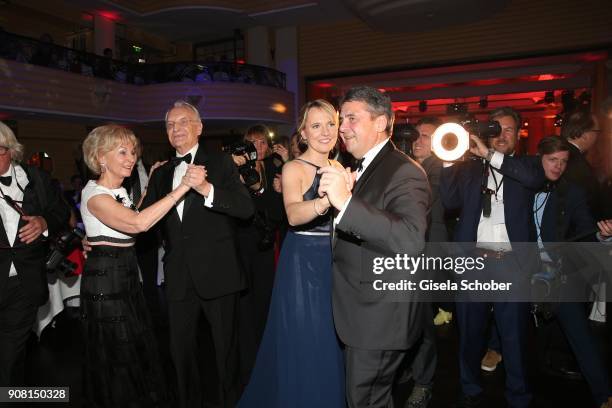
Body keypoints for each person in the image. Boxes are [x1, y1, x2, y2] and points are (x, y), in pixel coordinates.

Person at [317, 86, 431, 408]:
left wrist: (346, 203)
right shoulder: (366, 165)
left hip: (380, 317)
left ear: (381, 123)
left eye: (352, 118)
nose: (342, 128)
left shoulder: (405, 171)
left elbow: (410, 239)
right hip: (364, 312)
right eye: (342, 119)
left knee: (365, 401)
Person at [140, 100, 254, 408]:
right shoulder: (162, 174)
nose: (175, 129)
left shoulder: (221, 163)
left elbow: (245, 209)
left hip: (219, 272)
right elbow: (143, 222)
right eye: (170, 125)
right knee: (180, 353)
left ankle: (231, 401)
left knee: (225, 351)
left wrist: (206, 190)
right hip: (178, 275)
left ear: (199, 128)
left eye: (183, 122)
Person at [80, 124, 201, 406]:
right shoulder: (95, 194)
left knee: (134, 347)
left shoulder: (118, 191)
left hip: (125, 275)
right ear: (100, 157)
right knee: (117, 351)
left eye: (132, 152)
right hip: (106, 280)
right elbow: (139, 223)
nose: (130, 158)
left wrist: (150, 184)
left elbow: (131, 215)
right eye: (121, 152)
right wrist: (183, 186)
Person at [238, 99, 345, 407]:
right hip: (303, 261)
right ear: (303, 132)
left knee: (332, 336)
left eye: (330, 124)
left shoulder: (338, 167)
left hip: (334, 259)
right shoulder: (293, 167)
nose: (324, 132)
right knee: (306, 335)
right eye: (315, 125)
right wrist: (326, 200)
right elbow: (294, 215)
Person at [439, 107, 545, 408]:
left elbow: (533, 180)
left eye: (509, 129)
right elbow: (449, 201)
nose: (501, 134)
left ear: (518, 134)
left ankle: (519, 397)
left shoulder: (528, 166)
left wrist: (491, 156)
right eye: (495, 128)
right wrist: (451, 156)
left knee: (514, 338)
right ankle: (469, 390)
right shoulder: (471, 169)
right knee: (470, 334)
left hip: (512, 264)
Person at [533, 136, 612, 408]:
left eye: (564, 162)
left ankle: (604, 396)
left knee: (580, 334)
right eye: (552, 160)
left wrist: (603, 237)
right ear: (538, 157)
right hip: (520, 269)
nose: (558, 167)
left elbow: (588, 235)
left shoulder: (572, 193)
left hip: (557, 274)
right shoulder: (519, 187)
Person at [0, 121, 70, 386]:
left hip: (24, 283)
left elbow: (62, 212)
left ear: (12, 151)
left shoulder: (36, 179)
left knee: (10, 356)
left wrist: (43, 222)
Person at [233, 124, 287, 383]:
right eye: (253, 142)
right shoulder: (234, 172)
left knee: (264, 300)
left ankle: (266, 356)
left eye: (263, 142)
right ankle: (246, 359)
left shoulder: (276, 169)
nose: (258, 147)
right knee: (243, 301)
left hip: (265, 244)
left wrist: (270, 190)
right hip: (241, 243)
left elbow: (279, 214)